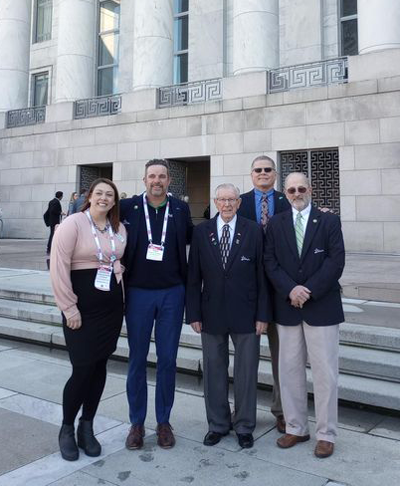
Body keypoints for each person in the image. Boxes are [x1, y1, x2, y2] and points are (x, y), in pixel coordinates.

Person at [264, 172, 345, 459]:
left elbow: (336, 262)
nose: (296, 193)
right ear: (284, 193)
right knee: (289, 372)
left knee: (325, 375)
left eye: (300, 188)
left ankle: (326, 434)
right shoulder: (276, 223)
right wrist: (291, 290)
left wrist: (307, 290)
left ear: (310, 189)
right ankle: (296, 427)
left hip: (321, 307)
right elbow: (269, 262)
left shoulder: (329, 221)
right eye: (291, 190)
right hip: (287, 309)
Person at [186, 184, 271, 449]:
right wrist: (193, 314)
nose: (226, 204)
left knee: (246, 371)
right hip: (211, 312)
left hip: (246, 313)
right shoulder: (201, 231)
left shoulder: (254, 230)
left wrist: (262, 315)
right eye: (222, 199)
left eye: (231, 199)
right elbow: (193, 277)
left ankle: (245, 425)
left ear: (239, 203)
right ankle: (218, 424)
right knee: (213, 370)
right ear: (215, 202)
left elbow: (262, 276)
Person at [50, 178, 127, 461]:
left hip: (110, 310)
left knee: (99, 367)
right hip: (80, 310)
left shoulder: (119, 228)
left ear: (114, 200)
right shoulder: (73, 224)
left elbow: (115, 260)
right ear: (89, 196)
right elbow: (58, 267)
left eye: (110, 194)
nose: (104, 198)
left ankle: (87, 426)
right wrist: (69, 308)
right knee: (82, 368)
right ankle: (67, 427)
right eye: (99, 193)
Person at [120, 159, 193, 450]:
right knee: (137, 360)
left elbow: (195, 238)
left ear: (169, 181)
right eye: (152, 176)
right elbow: (96, 221)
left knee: (167, 360)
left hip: (172, 294)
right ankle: (136, 423)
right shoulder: (128, 209)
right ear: (144, 179)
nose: (157, 181)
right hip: (138, 293)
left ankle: (164, 421)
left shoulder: (180, 209)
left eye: (162, 176)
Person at [237, 155, 290, 434]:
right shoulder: (239, 202)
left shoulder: (287, 201)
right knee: (246, 358)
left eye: (268, 169)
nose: (263, 173)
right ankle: (243, 411)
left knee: (282, 356)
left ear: (275, 174)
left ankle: (282, 410)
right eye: (258, 170)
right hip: (248, 292)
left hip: (280, 291)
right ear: (251, 174)